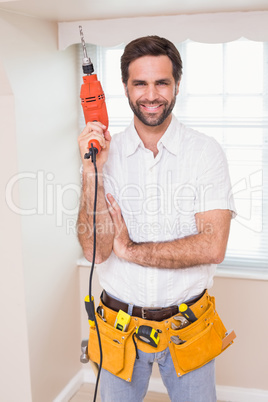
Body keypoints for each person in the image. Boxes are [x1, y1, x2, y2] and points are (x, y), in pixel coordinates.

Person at [77, 35, 236, 402]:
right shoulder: (102, 156)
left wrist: (131, 250)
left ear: (177, 84)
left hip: (188, 327)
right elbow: (95, 251)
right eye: (140, 83)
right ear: (125, 88)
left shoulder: (205, 153)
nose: (152, 95)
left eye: (162, 82)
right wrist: (91, 174)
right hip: (119, 330)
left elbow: (213, 246)